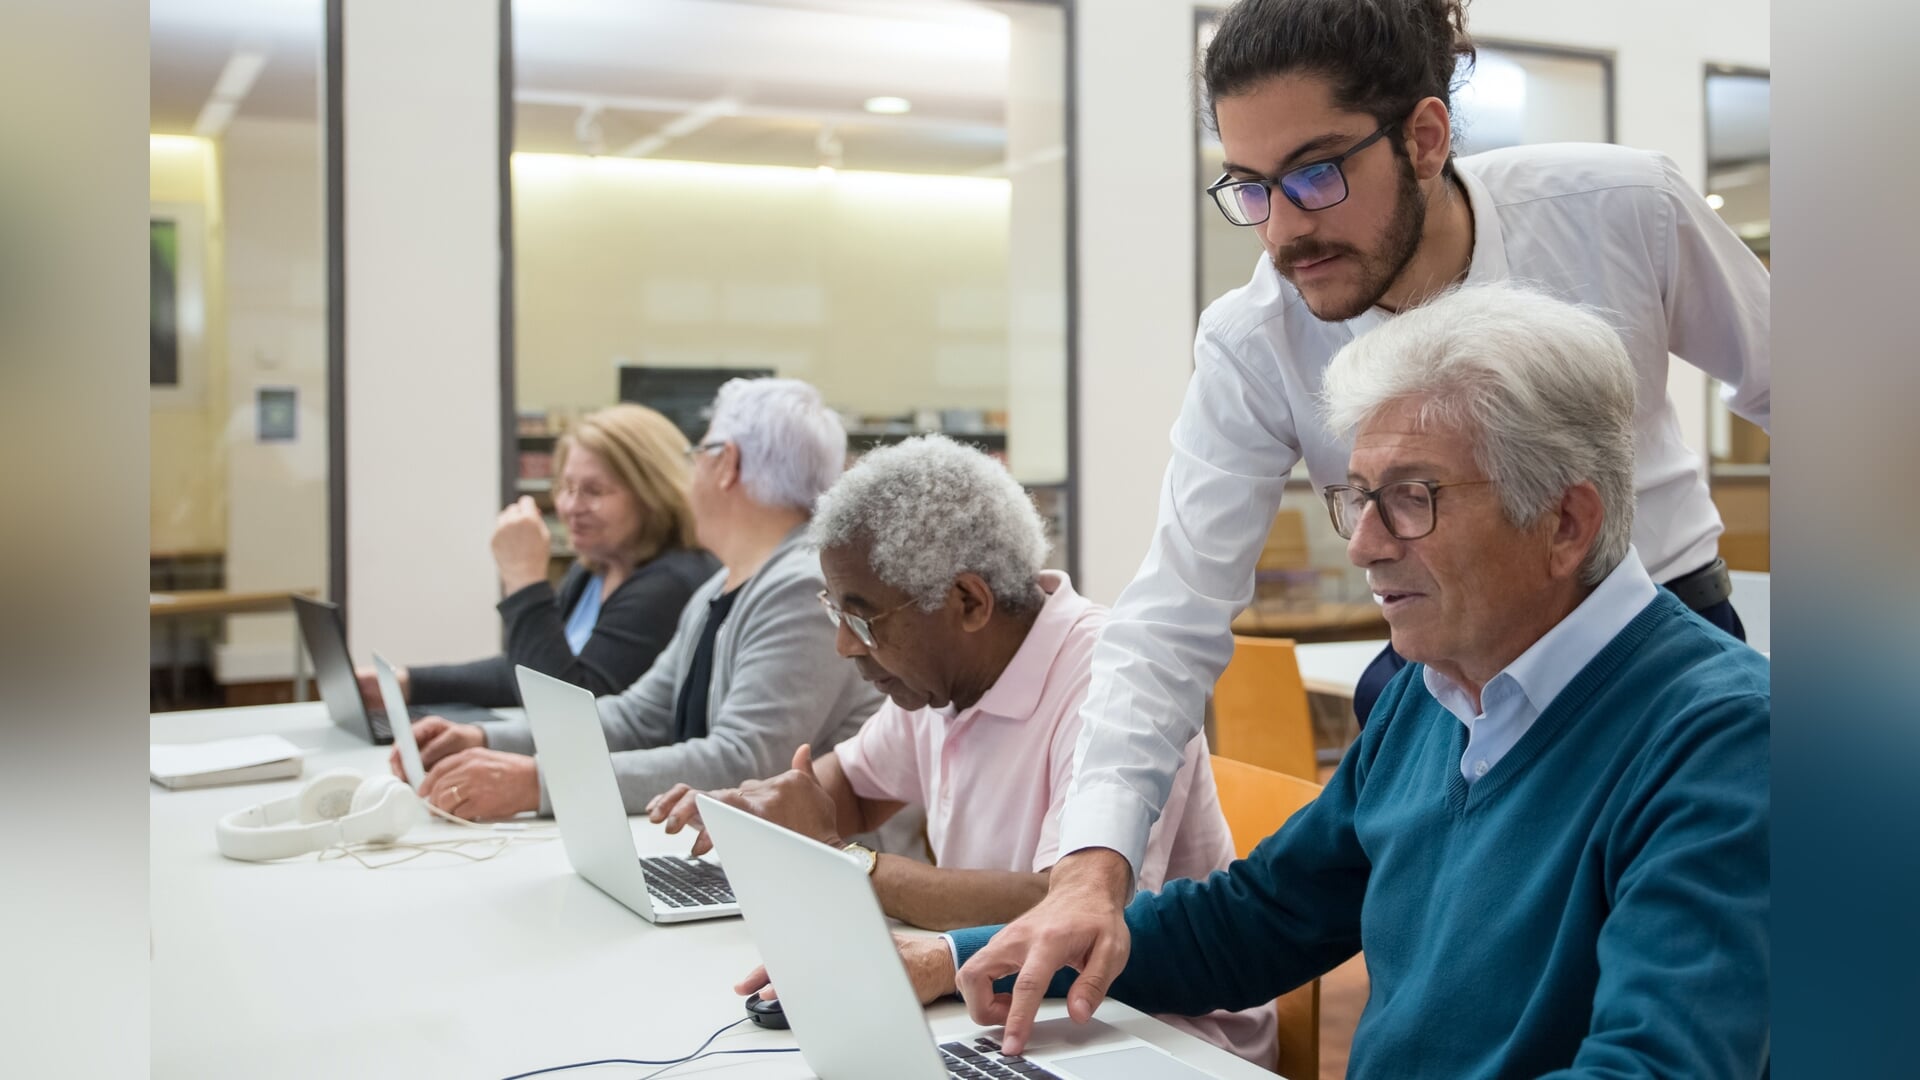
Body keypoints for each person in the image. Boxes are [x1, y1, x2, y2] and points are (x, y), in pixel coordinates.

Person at [986, 0, 1774, 1038]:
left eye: (1316, 174)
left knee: (1645, 1012)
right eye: (1251, 187)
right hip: (1444, 678)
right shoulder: (1255, 336)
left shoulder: (1616, 206)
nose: (1283, 229)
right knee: (1439, 1003)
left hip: (1648, 659)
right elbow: (1171, 615)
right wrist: (1093, 865)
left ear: (1426, 135)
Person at [885, 285, 1770, 1075]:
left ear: (1567, 521)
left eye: (1413, 498)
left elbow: (1656, 1066)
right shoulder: (1434, 694)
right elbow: (1258, 919)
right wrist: (965, 957)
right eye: (1359, 496)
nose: (1364, 543)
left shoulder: (1727, 740)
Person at [645, 435, 1274, 1065]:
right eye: (833, 610)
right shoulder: (940, 683)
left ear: (968, 602)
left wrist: (844, 859)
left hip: (1156, 1028)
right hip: (1008, 998)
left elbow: (1063, 907)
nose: (844, 645)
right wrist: (759, 812)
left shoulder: (1110, 684)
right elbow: (850, 791)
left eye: (862, 620)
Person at [392, 379, 885, 825]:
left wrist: (536, 781)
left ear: (726, 462)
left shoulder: (800, 588)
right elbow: (637, 718)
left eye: (698, 451)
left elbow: (741, 763)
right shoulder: (722, 587)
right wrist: (488, 741)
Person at [358, 404, 718, 710]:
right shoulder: (593, 571)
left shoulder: (670, 584)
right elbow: (529, 669)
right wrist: (408, 684)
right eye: (566, 487)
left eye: (594, 491)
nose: (571, 507)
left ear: (653, 494)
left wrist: (524, 578)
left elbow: (565, 705)